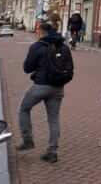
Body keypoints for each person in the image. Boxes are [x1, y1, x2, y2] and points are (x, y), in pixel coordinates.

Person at [17, 22, 73, 163]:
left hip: (41, 85)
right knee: (54, 119)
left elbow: (27, 68)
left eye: (37, 30)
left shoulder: (37, 46)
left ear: (41, 31)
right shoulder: (63, 46)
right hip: (58, 87)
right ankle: (52, 152)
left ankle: (27, 141)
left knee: (24, 109)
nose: (36, 32)